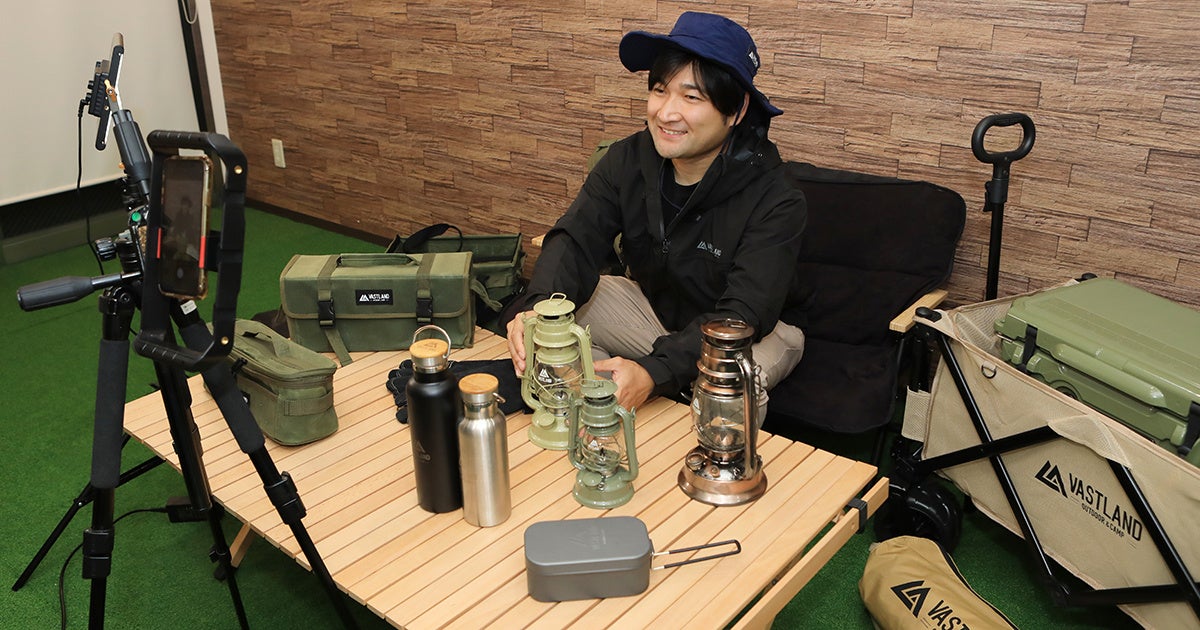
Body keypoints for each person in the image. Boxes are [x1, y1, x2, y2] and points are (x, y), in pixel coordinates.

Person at [505, 11, 810, 413]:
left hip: (752, 334)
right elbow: (576, 238)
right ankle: (603, 423)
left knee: (727, 385)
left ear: (736, 111)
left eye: (691, 97)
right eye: (660, 90)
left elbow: (742, 315)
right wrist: (537, 308)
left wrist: (654, 372)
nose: (666, 113)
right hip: (656, 314)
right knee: (554, 322)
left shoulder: (776, 198)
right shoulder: (626, 160)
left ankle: (669, 401)